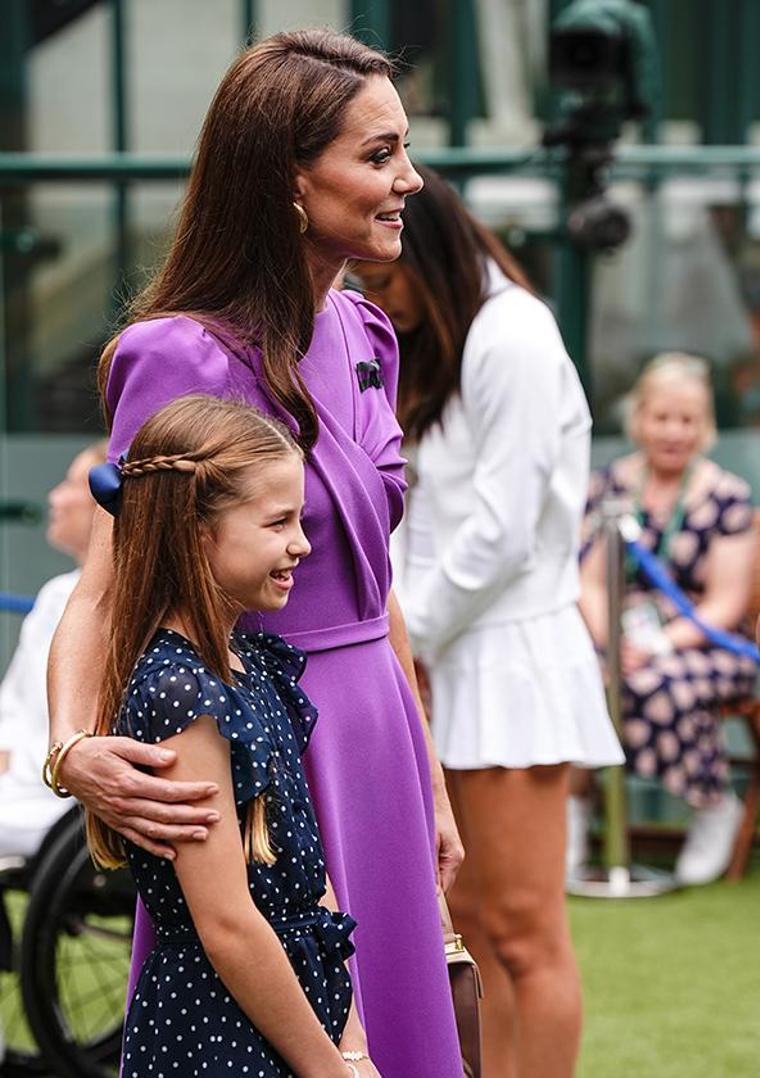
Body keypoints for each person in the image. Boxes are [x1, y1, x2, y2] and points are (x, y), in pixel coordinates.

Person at [45, 29, 464, 1077]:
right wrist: (70, 749)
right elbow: (109, 585)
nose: (409, 179)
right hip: (260, 743)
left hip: (377, 731)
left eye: (402, 150)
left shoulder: (369, 332)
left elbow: (375, 576)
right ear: (287, 179)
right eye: (377, 155)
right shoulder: (178, 355)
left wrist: (429, 779)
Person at [354, 166, 623, 1078]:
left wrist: (403, 641)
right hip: (441, 653)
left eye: (388, 280)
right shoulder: (446, 340)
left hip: (509, 658)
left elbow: (504, 531)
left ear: (431, 252)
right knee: (464, 930)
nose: (380, 300)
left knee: (521, 929)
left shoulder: (512, 333)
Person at [82, 395, 373, 1077]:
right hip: (217, 1038)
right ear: (196, 533)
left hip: (304, 1024)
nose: (302, 543)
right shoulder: (183, 696)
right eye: (278, 522)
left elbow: (311, 883)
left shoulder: (254, 664)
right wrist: (328, 1069)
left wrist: (352, 1042)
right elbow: (229, 925)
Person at [578, 352, 757, 886]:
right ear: (640, 420)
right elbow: (587, 582)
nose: (673, 431)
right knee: (575, 678)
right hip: (615, 636)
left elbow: (724, 604)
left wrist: (655, 646)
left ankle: (710, 803)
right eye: (662, 417)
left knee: (658, 683)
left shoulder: (726, 496)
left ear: (704, 426)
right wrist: (612, 642)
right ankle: (576, 812)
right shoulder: (609, 487)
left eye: (687, 420)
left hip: (703, 643)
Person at [0, 440, 105, 859]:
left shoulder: (131, 609)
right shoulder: (55, 595)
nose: (55, 498)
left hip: (57, 803)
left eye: (70, 484)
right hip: (18, 782)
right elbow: (13, 705)